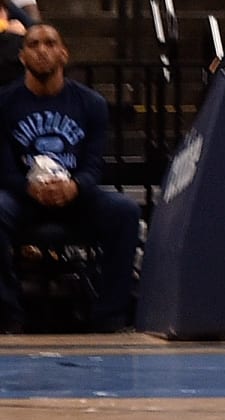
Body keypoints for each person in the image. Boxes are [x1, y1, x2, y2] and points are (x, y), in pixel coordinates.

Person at [0, 25, 142, 333]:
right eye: (33, 44)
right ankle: (8, 315)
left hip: (74, 196)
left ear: (64, 53)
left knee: (125, 212)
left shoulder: (91, 104)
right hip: (24, 198)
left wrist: (75, 186)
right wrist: (28, 187)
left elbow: (93, 164)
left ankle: (110, 317)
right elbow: (4, 167)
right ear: (22, 57)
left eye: (50, 43)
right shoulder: (6, 102)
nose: (42, 50)